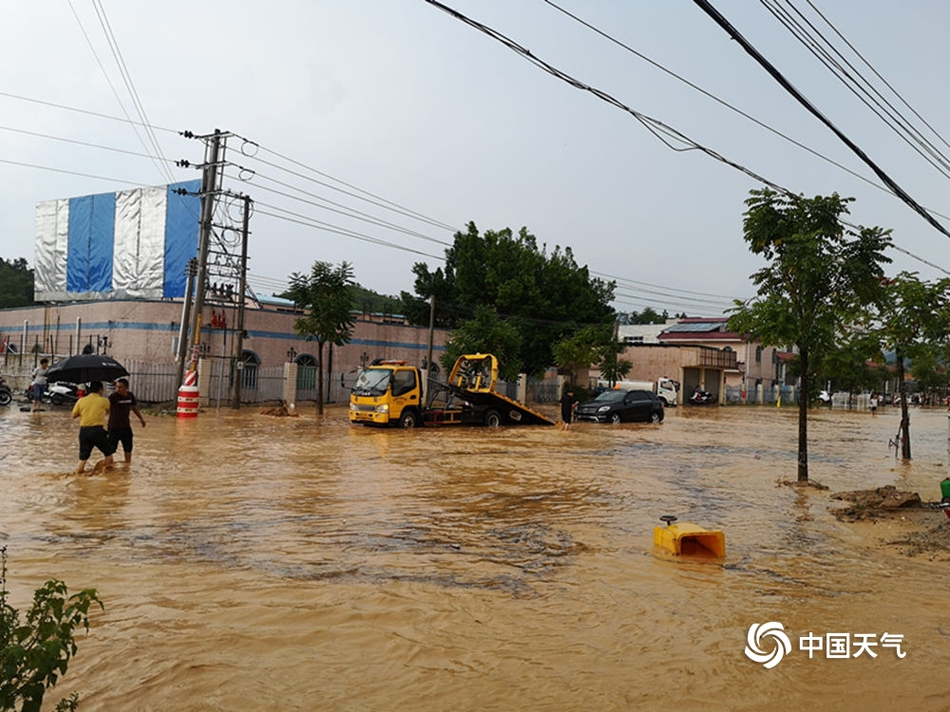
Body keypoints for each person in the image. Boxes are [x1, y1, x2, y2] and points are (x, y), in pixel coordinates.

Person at [71, 381, 114, 474]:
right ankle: (102, 472)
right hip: (97, 431)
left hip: (84, 431)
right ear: (100, 390)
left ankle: (78, 476)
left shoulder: (81, 400)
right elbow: (111, 413)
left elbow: (74, 415)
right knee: (108, 454)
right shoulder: (104, 401)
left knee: (83, 458)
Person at [108, 378, 146, 464]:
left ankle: (127, 466)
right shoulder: (113, 397)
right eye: (117, 387)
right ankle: (109, 466)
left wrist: (141, 419)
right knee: (111, 449)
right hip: (114, 427)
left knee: (128, 448)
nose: (118, 389)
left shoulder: (130, 396)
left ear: (126, 388)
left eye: (120, 387)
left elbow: (134, 408)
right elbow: (105, 407)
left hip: (126, 427)